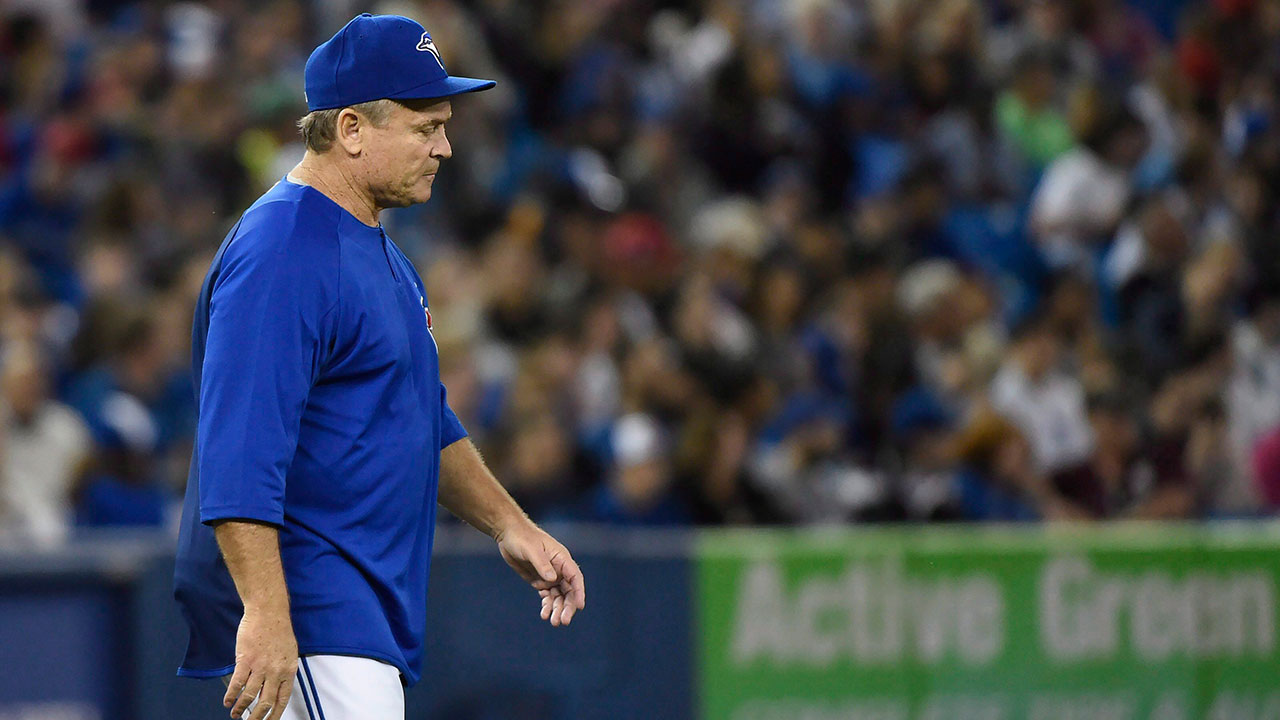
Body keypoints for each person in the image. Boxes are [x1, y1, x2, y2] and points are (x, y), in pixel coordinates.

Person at [172, 14, 585, 720]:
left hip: (352, 617)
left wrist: (509, 524)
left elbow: (419, 412)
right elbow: (239, 449)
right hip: (312, 614)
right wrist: (269, 617)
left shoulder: (377, 249)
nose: (446, 147)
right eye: (427, 128)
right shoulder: (285, 248)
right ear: (353, 129)